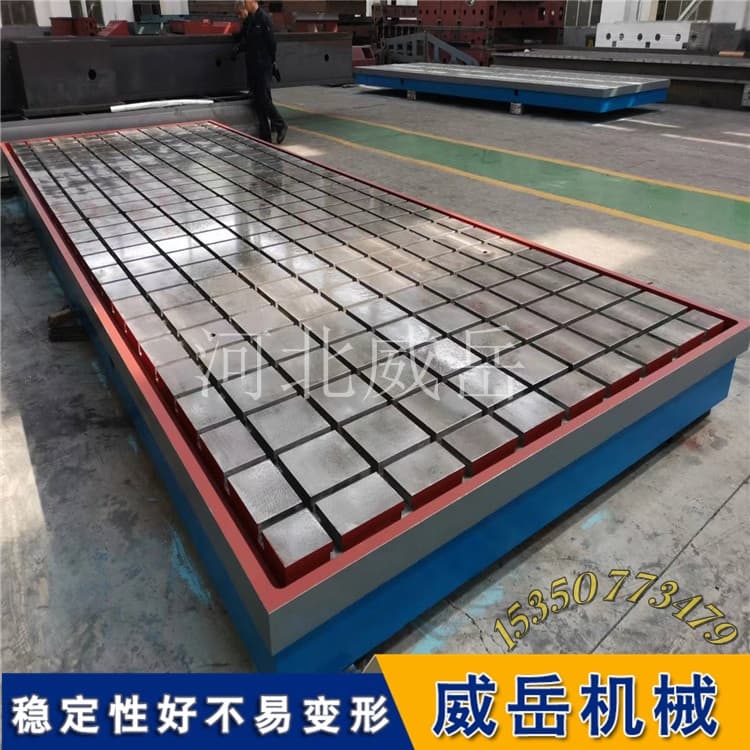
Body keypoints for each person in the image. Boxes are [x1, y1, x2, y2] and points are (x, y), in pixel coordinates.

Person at [232, 0, 288, 145]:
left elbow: (272, 43)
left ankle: (280, 124)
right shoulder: (251, 20)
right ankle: (265, 135)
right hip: (252, 65)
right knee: (258, 100)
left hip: (263, 65)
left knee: (263, 97)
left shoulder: (263, 19)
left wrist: (271, 62)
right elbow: (248, 40)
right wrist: (237, 47)